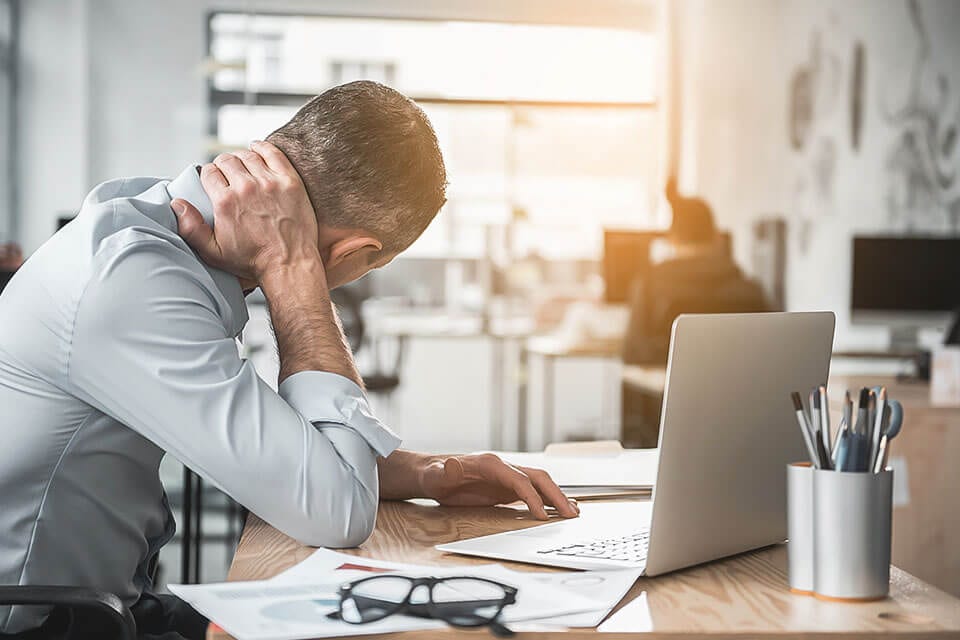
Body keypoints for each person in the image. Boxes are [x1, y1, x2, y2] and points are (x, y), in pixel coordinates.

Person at [0, 81, 577, 639]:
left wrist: (429, 473)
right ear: (356, 254)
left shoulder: (147, 224)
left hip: (112, 601)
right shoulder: (134, 281)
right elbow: (335, 514)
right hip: (51, 621)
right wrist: (295, 275)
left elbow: (283, 448)